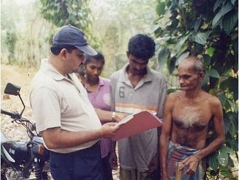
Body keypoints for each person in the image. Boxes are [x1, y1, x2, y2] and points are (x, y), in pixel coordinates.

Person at [29, 25, 120, 180]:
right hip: (72, 161)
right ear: (64, 53)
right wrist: (99, 133)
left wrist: (114, 115)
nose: (83, 60)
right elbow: (52, 140)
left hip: (88, 155)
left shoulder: (69, 75)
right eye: (80, 55)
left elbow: (84, 110)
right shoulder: (46, 86)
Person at [109, 34, 168, 180]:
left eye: (143, 63)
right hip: (125, 153)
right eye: (134, 61)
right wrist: (112, 151)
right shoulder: (116, 79)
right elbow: (113, 117)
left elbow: (161, 123)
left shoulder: (159, 81)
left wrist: (158, 157)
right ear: (127, 54)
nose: (138, 66)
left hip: (149, 155)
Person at [159, 56, 225, 180]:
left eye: (186, 77)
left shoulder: (212, 103)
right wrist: (163, 171)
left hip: (196, 158)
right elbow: (164, 136)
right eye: (179, 77)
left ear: (200, 76)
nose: (181, 81)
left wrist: (198, 156)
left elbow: (220, 138)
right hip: (173, 156)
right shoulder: (172, 99)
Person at [81, 52, 114, 180]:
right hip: (85, 148)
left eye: (99, 68)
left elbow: (114, 120)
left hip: (105, 149)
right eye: (92, 67)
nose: (95, 72)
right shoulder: (78, 85)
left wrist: (113, 151)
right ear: (85, 65)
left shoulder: (109, 86)